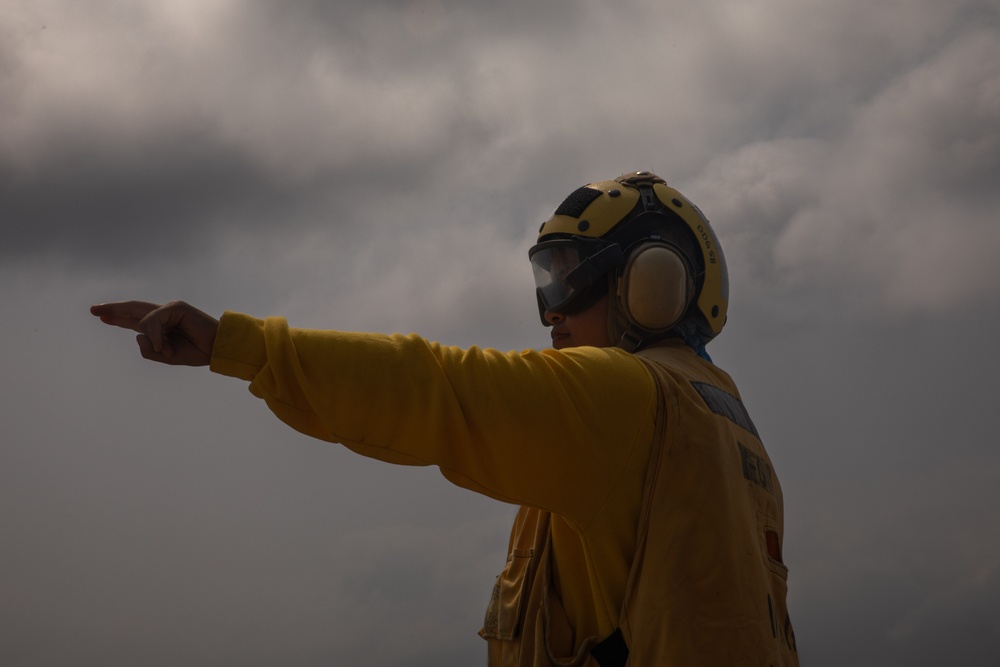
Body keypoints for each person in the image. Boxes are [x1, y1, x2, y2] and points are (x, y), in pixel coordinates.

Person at [92, 171, 798, 666]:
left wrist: (237, 345)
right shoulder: (727, 423)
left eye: (568, 276)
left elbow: (434, 386)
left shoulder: (624, 397)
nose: (550, 310)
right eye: (544, 278)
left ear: (652, 281)